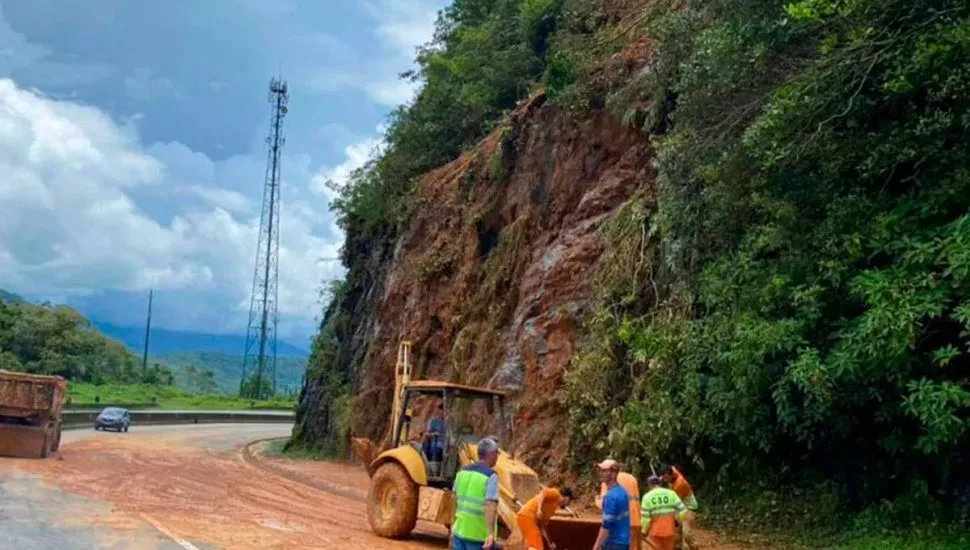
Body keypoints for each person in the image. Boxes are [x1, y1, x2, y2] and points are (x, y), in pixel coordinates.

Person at [451, 437, 500, 550]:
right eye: (497, 453)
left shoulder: (462, 472)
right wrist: (490, 534)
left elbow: (453, 500)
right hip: (478, 536)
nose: (497, 457)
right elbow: (490, 505)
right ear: (491, 454)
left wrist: (453, 525)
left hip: (459, 531)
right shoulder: (490, 476)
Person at [596, 467, 642, 550]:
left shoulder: (607, 480)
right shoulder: (632, 478)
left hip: (617, 527)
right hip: (635, 520)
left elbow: (604, 505)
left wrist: (597, 500)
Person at [593, 459, 631, 550]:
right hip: (624, 541)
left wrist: (596, 545)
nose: (600, 473)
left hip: (613, 542)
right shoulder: (623, 491)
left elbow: (606, 525)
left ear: (614, 473)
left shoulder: (610, 496)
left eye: (604, 471)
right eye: (600, 470)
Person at [640, 475, 687, 550]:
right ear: (660, 483)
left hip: (654, 533)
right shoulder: (671, 494)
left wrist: (644, 531)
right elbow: (683, 510)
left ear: (649, 485)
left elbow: (645, 518)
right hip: (670, 531)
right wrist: (677, 521)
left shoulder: (647, 497)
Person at [662, 466, 698, 550]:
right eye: (664, 477)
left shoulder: (680, 484)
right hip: (681, 506)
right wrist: (660, 479)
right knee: (676, 532)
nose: (665, 480)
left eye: (667, 477)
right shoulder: (673, 472)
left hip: (689, 507)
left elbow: (675, 502)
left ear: (672, 475)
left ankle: (695, 547)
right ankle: (678, 547)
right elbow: (672, 467)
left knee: (686, 533)